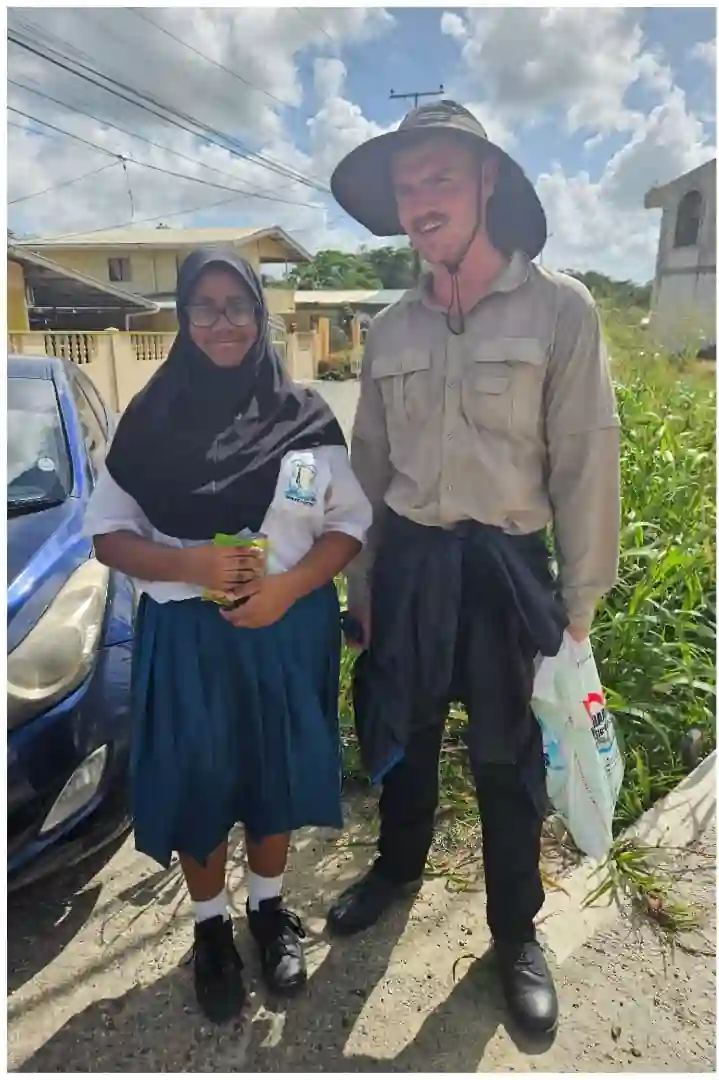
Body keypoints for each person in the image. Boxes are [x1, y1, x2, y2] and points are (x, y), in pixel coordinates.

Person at [325, 100, 621, 1035]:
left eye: (441, 177)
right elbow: (367, 470)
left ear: (488, 182)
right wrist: (362, 587)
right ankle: (398, 866)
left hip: (507, 572)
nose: (421, 199)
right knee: (401, 733)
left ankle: (514, 931)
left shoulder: (559, 309)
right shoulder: (388, 330)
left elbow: (586, 460)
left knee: (508, 762)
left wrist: (578, 609)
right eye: (406, 187)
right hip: (410, 562)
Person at [84, 249, 372, 1023]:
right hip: (188, 638)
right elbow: (108, 535)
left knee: (272, 771)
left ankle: (269, 909)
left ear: (260, 315)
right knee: (200, 779)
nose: (223, 323)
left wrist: (285, 588)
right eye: (204, 307)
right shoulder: (151, 419)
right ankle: (211, 928)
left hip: (286, 627)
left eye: (238, 306)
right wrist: (191, 561)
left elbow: (346, 527)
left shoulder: (305, 415)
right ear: (182, 317)